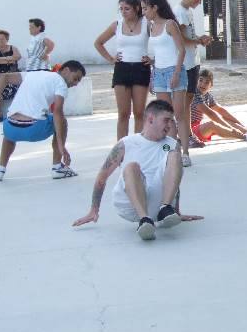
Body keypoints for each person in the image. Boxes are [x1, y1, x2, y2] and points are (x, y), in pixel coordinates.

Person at [71, 99, 203, 241]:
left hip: (158, 203)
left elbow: (175, 179)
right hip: (130, 204)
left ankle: (165, 209)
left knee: (175, 155)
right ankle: (144, 220)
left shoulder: (171, 145)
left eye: (171, 121)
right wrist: (93, 210)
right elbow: (102, 177)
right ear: (151, 119)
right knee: (131, 167)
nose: (170, 126)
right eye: (166, 120)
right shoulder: (126, 144)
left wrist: (176, 212)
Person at [0, 60, 85, 181]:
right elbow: (58, 112)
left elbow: (3, 77)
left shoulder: (33, 74)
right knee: (62, 121)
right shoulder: (61, 83)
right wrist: (61, 146)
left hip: (9, 129)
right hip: (34, 130)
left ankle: (0, 169)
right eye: (76, 78)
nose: (76, 83)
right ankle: (57, 167)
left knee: (11, 123)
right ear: (66, 70)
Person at [142, 0, 192, 166]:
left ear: (155, 7)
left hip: (174, 71)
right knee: (165, 116)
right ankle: (171, 151)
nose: (144, 12)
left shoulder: (170, 24)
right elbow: (157, 54)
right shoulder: (151, 26)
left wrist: (177, 73)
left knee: (179, 114)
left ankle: (185, 152)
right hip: (159, 73)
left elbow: (182, 50)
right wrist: (152, 75)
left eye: (146, 8)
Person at [94, 0, 152, 140]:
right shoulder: (117, 24)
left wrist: (153, 59)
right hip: (122, 69)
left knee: (139, 112)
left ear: (136, 8)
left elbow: (161, 41)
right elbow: (98, 42)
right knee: (123, 113)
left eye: (127, 8)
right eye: (121, 8)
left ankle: (139, 145)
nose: (123, 12)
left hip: (141, 68)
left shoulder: (147, 23)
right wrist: (110, 58)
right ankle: (121, 148)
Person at [173, 0, 211, 146]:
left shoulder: (186, 11)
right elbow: (180, 38)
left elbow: (188, 36)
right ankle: (185, 135)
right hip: (186, 63)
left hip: (192, 60)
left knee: (188, 101)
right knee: (185, 103)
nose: (200, 3)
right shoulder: (180, 12)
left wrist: (199, 39)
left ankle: (186, 135)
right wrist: (198, 41)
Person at [190, 69, 247, 143]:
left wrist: (240, 125)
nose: (203, 84)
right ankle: (246, 137)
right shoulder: (194, 94)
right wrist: (232, 129)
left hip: (198, 128)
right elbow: (211, 114)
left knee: (226, 120)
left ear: (211, 86)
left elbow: (221, 110)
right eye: (200, 80)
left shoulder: (207, 96)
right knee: (212, 124)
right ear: (196, 81)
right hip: (188, 131)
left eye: (207, 82)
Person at [0, 29, 22, 117]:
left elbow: (17, 57)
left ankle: (13, 113)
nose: (0, 41)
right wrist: (8, 59)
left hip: (11, 75)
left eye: (2, 39)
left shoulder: (13, 48)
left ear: (7, 39)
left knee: (10, 87)